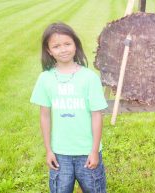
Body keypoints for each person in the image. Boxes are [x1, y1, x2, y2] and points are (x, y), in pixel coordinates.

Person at [30, 22, 108, 193]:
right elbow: (45, 115)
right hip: (59, 154)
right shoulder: (45, 79)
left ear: (75, 45)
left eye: (67, 43)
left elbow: (97, 115)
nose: (63, 49)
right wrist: (48, 150)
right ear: (49, 51)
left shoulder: (89, 78)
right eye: (56, 46)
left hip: (87, 152)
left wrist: (94, 150)